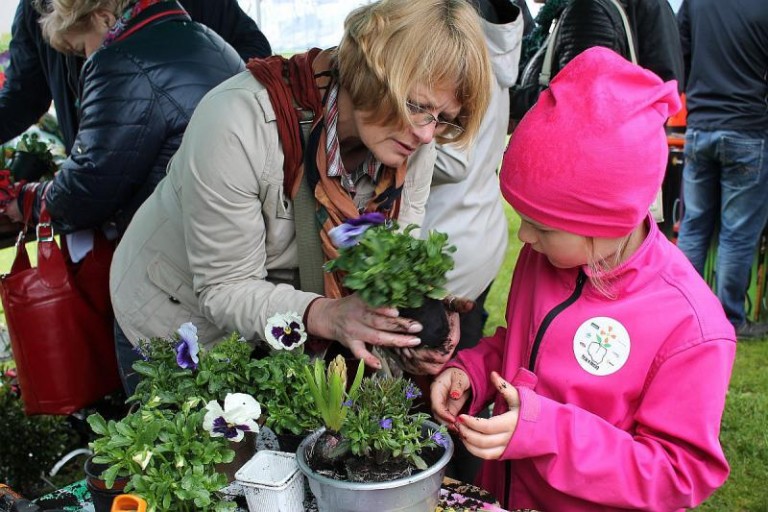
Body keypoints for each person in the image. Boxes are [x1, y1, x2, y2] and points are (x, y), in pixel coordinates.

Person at [109, 0, 493, 394]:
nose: (428, 134)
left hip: (285, 326)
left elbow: (395, 248)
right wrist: (331, 315)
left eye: (443, 118)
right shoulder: (238, 122)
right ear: (371, 70)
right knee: (204, 449)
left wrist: (413, 317)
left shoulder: (412, 140)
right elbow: (226, 288)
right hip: (180, 321)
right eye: (417, 106)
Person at [431, 48, 735, 510]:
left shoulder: (690, 328)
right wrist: (472, 373)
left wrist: (548, 432)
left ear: (610, 222)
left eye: (544, 226)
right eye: (523, 217)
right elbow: (524, 346)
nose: (525, 237)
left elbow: (679, 473)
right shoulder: (549, 259)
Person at [1, 0, 244, 237]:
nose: (85, 59)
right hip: (233, 234)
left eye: (81, 48)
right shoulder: (212, 41)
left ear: (104, 19)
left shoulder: (118, 64)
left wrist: (26, 200)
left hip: (171, 247)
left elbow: (87, 191)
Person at [421, 0, 522, 484]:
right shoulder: (490, 45)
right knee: (464, 372)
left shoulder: (461, 50)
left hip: (446, 246)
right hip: (472, 236)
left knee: (436, 393)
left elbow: (456, 158)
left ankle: (450, 482)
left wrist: (390, 148)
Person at [0, 0, 271, 154]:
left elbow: (254, 52)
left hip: (188, 176)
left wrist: (180, 98)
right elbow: (22, 98)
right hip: (100, 188)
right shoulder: (37, 7)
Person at [675, 0, 768, 339]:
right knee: (737, 233)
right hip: (748, 128)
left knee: (694, 226)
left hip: (699, 127)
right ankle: (729, 318)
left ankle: (683, 309)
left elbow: (678, 55)